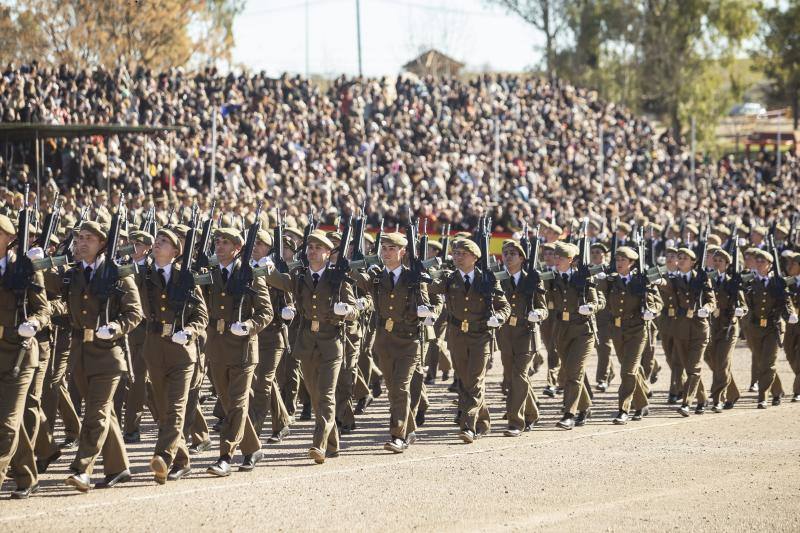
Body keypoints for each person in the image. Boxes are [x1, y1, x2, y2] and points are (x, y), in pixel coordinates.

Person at [61, 220, 143, 492]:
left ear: (102, 244)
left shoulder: (118, 273)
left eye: (89, 239)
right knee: (104, 413)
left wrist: (116, 328)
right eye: (79, 238)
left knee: (95, 414)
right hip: (80, 354)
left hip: (108, 355)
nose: (82, 243)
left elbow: (134, 312)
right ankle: (118, 468)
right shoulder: (72, 273)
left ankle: (81, 469)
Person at [263, 230, 357, 463]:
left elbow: (355, 310)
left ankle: (319, 445)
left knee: (325, 396)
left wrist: (345, 312)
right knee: (315, 397)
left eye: (318, 248)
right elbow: (282, 283)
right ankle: (333, 442)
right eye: (310, 247)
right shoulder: (300, 275)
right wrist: (266, 268)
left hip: (331, 343)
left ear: (328, 253)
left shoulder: (338, 278)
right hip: (306, 342)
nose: (312, 251)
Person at [138, 228, 208, 483]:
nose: (158, 243)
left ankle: (162, 458)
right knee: (163, 408)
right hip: (154, 347)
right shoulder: (144, 275)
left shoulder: (187, 277)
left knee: (177, 408)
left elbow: (201, 316)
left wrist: (189, 331)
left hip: (181, 351)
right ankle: (181, 460)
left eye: (164, 241)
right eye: (157, 240)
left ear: (176, 252)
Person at [203, 227, 273, 476]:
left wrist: (249, 326)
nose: (219, 246)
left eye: (225, 243)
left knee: (237, 406)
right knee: (228, 402)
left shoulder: (251, 275)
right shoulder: (209, 273)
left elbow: (266, 312)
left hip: (243, 350)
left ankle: (225, 455)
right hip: (217, 347)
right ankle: (253, 448)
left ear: (237, 248)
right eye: (217, 242)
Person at [354, 232, 432, 452]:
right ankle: (410, 429)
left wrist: (426, 312)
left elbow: (427, 306)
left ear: (402, 252)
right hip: (385, 341)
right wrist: (349, 264)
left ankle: (397, 435)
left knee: (400, 387)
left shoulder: (414, 278)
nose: (386, 253)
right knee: (392, 389)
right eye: (384, 248)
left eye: (391, 249)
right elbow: (360, 282)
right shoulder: (378, 278)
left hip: (408, 341)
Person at [428, 238, 510, 443]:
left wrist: (498, 318)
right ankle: (483, 422)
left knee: (474, 381)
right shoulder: (449, 278)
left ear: (474, 257)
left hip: (480, 336)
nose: (457, 257)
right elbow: (432, 287)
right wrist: (424, 274)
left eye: (462, 254)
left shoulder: (488, 279)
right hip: (457, 336)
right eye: (455, 254)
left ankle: (468, 425)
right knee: (465, 382)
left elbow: (504, 307)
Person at [0, 213, 52, 499]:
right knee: (14, 420)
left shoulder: (26, 267)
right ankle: (27, 477)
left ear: (10, 239)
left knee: (6, 422)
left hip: (19, 354)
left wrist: (33, 323)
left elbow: (43, 309)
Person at [544, 242, 604, 429]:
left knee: (574, 373)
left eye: (560, 258)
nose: (556, 260)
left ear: (570, 260)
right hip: (562, 329)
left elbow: (599, 300)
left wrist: (591, 307)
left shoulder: (583, 278)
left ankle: (569, 413)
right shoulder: (550, 278)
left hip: (582, 330)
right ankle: (585, 407)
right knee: (571, 372)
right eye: (555, 257)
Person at [599, 246, 662, 424]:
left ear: (632, 263)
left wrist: (652, 311)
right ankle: (642, 404)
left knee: (627, 371)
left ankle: (623, 409)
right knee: (632, 370)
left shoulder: (642, 280)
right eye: (617, 260)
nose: (619, 263)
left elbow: (658, 302)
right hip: (617, 330)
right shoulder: (610, 281)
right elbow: (599, 297)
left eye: (623, 261)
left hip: (637, 330)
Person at [496, 239, 547, 436]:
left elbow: (544, 308)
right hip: (506, 333)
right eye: (506, 253)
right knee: (514, 377)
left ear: (522, 258)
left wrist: (538, 314)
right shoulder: (498, 278)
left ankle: (516, 421)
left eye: (513, 254)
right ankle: (532, 413)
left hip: (526, 333)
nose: (508, 257)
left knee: (518, 376)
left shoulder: (533, 279)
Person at [658, 248, 715, 417]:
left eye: (685, 258)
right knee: (689, 368)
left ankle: (686, 403)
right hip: (680, 329)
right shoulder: (674, 279)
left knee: (694, 367)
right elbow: (666, 288)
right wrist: (658, 282)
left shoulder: (702, 278)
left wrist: (706, 308)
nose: (680, 260)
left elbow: (711, 300)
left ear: (693, 262)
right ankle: (702, 399)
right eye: (679, 257)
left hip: (699, 328)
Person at [744, 248, 796, 409]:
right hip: (754, 327)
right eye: (757, 261)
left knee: (769, 362)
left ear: (770, 265)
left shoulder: (778, 283)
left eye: (763, 261)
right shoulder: (749, 281)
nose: (759, 264)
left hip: (773, 328)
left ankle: (763, 396)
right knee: (761, 362)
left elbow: (786, 302)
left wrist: (789, 315)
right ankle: (778, 390)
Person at [705, 249, 747, 411]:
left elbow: (743, 305)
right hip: (711, 328)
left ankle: (717, 398)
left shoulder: (732, 282)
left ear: (727, 265)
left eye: (720, 261)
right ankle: (733, 392)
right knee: (711, 359)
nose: (716, 263)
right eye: (714, 260)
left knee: (722, 364)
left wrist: (740, 310)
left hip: (728, 328)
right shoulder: (706, 280)